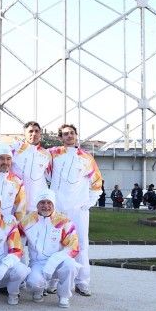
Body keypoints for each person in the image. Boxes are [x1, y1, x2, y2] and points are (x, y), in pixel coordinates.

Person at [48, 124, 103, 296]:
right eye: (65, 134)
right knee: (55, 243)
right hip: (58, 208)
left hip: (79, 209)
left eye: (72, 133)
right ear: (60, 138)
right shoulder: (53, 154)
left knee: (81, 245)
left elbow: (97, 182)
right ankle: (53, 281)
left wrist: (91, 200)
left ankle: (82, 282)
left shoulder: (87, 157)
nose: (69, 136)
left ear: (76, 136)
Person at [20, 189, 81, 308]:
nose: (46, 206)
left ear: (53, 204)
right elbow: (16, 239)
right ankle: (38, 291)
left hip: (59, 262)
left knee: (71, 265)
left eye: (49, 203)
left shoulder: (63, 221)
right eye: (42, 203)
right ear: (37, 204)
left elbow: (74, 247)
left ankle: (64, 295)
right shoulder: (27, 221)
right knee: (33, 283)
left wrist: (53, 262)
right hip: (38, 262)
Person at [11, 121, 51, 211]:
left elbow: (51, 177)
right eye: (30, 131)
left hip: (36, 205)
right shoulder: (15, 149)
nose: (34, 134)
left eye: (37, 131)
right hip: (16, 203)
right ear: (24, 133)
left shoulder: (46, 154)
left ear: (40, 133)